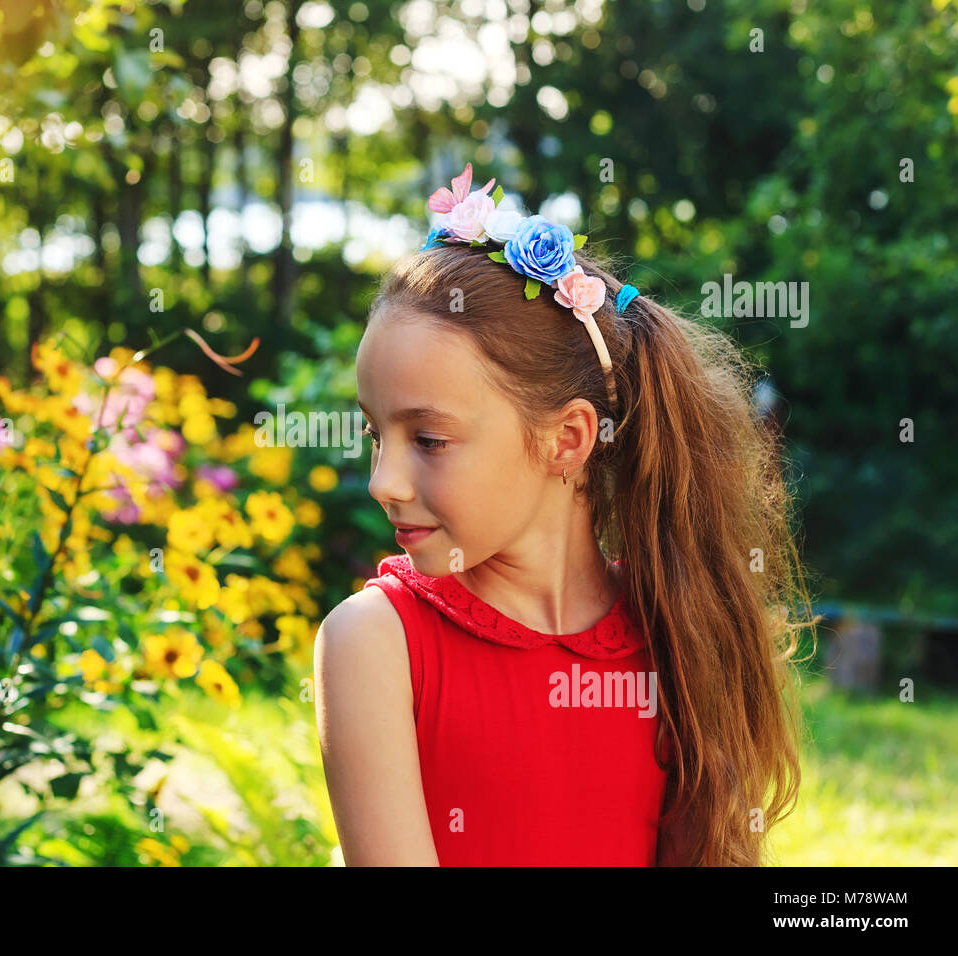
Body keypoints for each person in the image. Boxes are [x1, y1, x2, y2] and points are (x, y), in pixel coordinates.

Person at [313, 163, 817, 866]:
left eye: (428, 439)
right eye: (376, 435)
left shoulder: (678, 626)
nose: (383, 482)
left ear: (568, 439)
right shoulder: (376, 644)